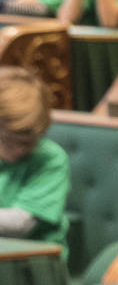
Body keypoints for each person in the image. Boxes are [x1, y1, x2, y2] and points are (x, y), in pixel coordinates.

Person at [0, 68, 68, 252]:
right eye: (10, 142)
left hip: (32, 263)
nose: (20, 151)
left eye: (29, 143)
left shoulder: (49, 158)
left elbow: (22, 224)